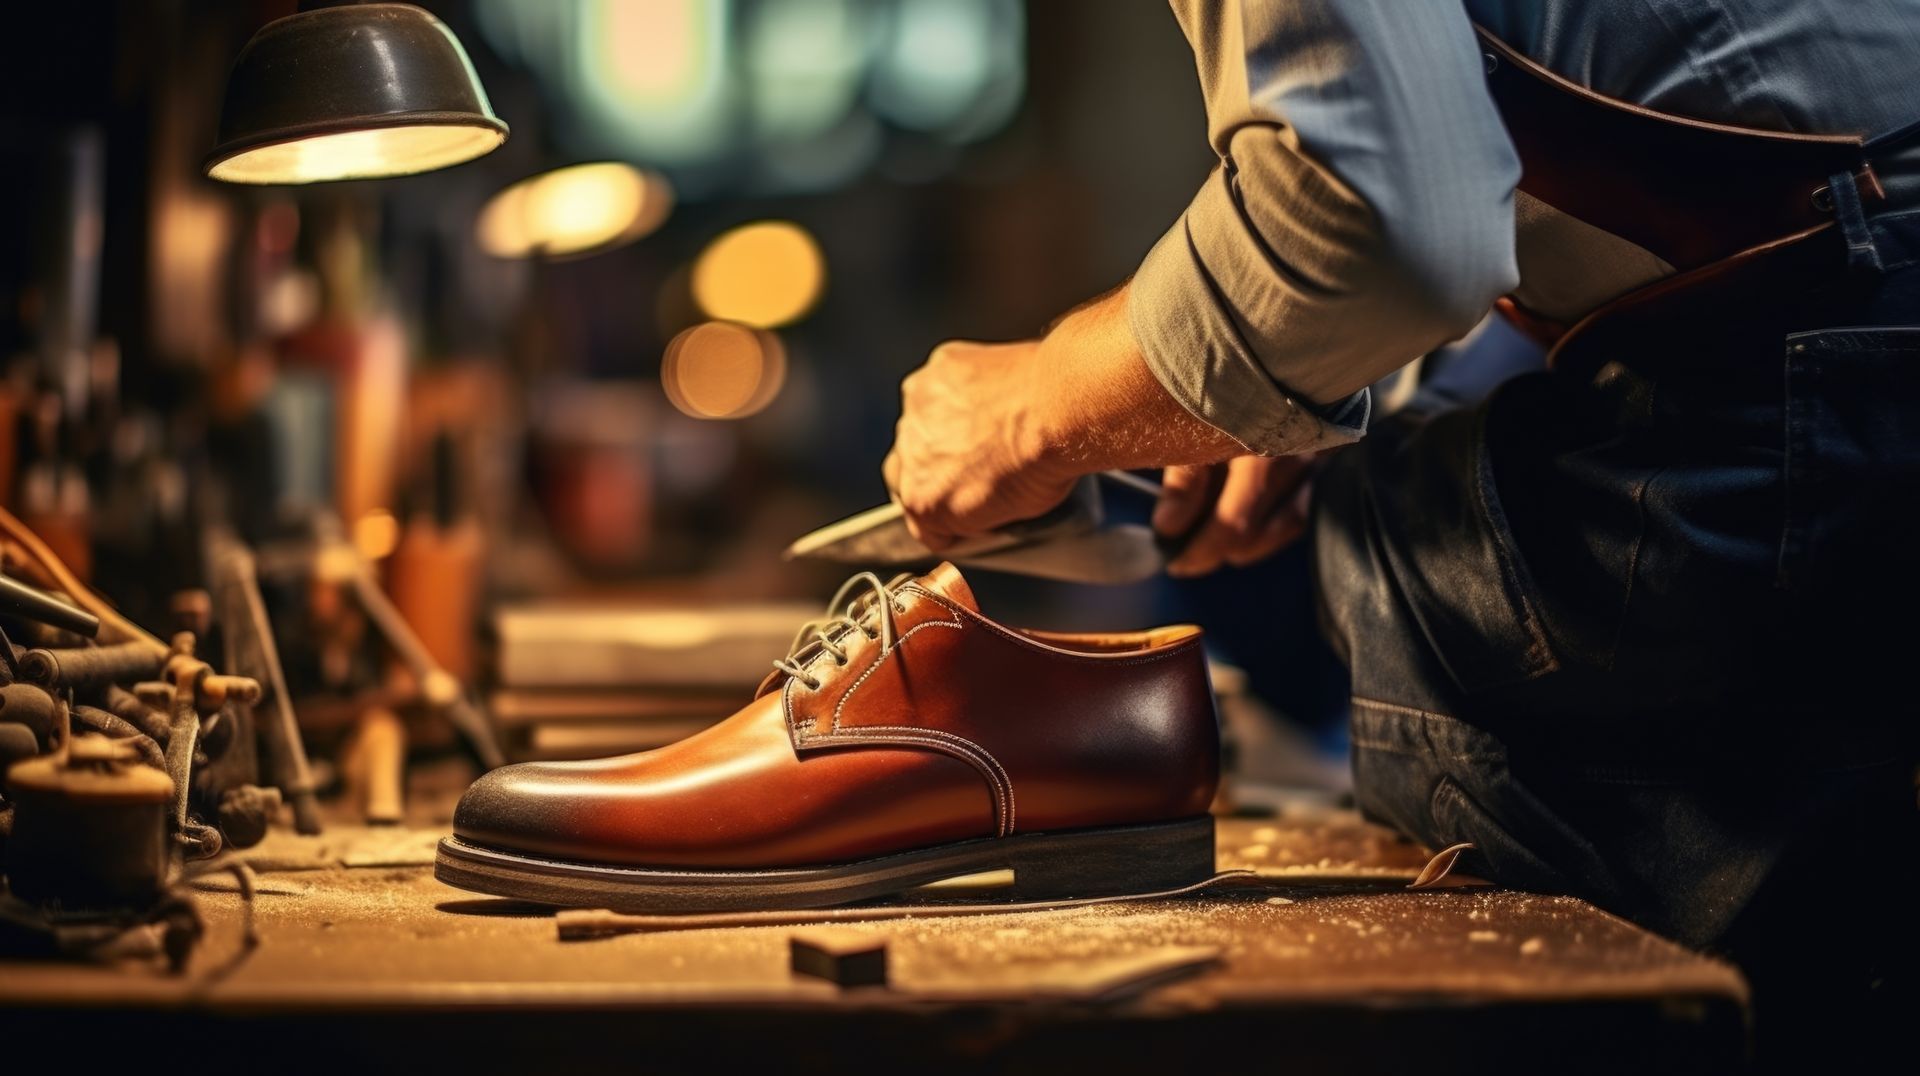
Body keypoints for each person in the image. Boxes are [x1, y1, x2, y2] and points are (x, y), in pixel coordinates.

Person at [884, 0, 1920, 1054]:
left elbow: (1370, 217)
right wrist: (1304, 377)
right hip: (1841, 308)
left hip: (1838, 397)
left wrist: (1028, 409)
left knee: (1362, 531)